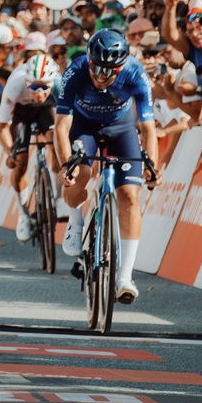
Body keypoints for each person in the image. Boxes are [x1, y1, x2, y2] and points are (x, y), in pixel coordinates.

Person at [52, 29, 156, 305]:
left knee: (130, 196)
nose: (100, 76)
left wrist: (152, 165)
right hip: (83, 125)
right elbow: (61, 126)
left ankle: (125, 277)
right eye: (96, 68)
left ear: (121, 67)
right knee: (81, 174)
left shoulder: (135, 73)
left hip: (121, 128)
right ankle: (75, 221)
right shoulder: (75, 71)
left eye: (109, 72)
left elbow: (148, 127)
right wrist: (67, 163)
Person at [0, 54, 61, 242]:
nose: (39, 93)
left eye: (44, 87)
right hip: (22, 112)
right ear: (26, 82)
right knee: (20, 162)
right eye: (33, 87)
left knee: (57, 144)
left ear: (52, 83)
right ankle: (24, 215)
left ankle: (58, 200)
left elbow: (68, 124)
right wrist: (10, 153)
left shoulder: (60, 84)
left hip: (47, 110)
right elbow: (2, 128)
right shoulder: (15, 84)